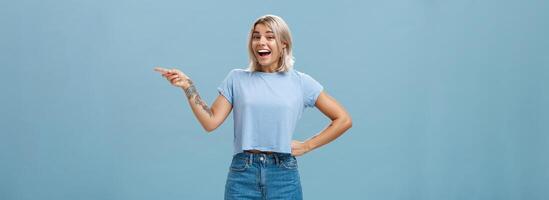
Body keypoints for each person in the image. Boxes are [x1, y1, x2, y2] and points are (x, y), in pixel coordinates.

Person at [154, 14, 352, 200]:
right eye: (256, 37)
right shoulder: (237, 79)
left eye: (270, 37)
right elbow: (210, 121)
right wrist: (189, 87)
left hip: (283, 174)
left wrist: (308, 145)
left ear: (284, 44)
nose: (261, 42)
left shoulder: (301, 82)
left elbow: (343, 119)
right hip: (242, 174)